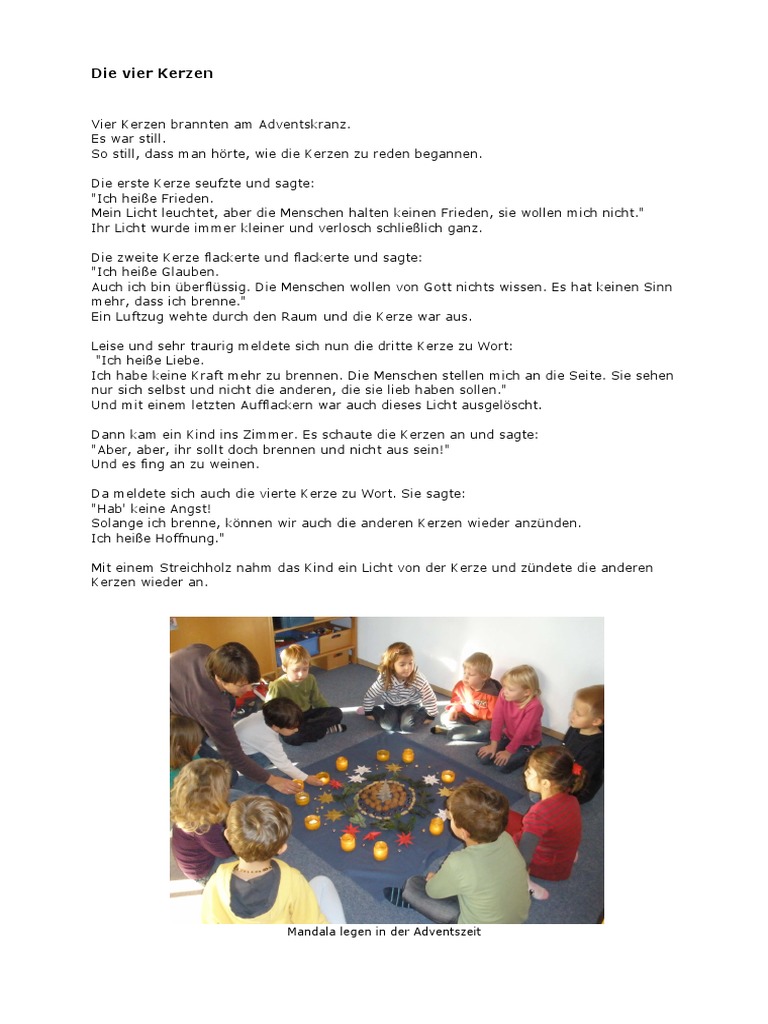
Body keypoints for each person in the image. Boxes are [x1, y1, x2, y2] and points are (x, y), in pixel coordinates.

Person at [384, 779, 530, 924]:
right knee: (469, 885)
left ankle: (414, 902)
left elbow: (433, 891)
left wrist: (434, 879)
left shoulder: (458, 862)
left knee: (413, 885)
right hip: (516, 918)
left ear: (464, 833)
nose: (448, 817)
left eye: (451, 817)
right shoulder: (506, 838)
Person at [170, 642, 299, 794]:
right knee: (229, 776)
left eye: (251, 683)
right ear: (219, 678)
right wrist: (272, 780)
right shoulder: (212, 707)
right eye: (241, 685)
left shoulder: (203, 651)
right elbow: (232, 753)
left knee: (229, 702)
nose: (249, 689)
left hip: (180, 702)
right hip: (177, 730)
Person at [201, 795, 346, 924]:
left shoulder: (215, 883)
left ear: (227, 835)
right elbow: (312, 923)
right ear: (281, 848)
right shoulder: (293, 880)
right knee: (322, 882)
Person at [506, 745, 585, 900]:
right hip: (561, 856)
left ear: (546, 783)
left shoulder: (539, 814)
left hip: (547, 867)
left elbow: (524, 857)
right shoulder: (571, 799)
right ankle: (568, 855)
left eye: (530, 772)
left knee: (494, 831)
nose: (525, 773)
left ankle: (526, 884)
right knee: (513, 819)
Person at [233, 697, 327, 785]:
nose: (296, 730)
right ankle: (250, 774)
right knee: (263, 761)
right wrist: (306, 778)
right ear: (275, 727)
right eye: (292, 728)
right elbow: (284, 765)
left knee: (271, 753)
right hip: (241, 754)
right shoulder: (269, 742)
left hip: (237, 740)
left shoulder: (267, 715)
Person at [170, 758, 236, 882]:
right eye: (225, 786)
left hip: (206, 850)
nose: (228, 788)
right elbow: (227, 852)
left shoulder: (189, 803)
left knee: (234, 794)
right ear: (215, 794)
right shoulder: (205, 825)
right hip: (205, 871)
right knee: (254, 857)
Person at [266, 644, 346, 744]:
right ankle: (324, 730)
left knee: (336, 712)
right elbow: (269, 711)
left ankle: (311, 729)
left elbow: (317, 699)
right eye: (296, 670)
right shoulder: (277, 686)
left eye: (305, 669)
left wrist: (326, 711)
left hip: (308, 714)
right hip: (291, 720)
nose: (301, 674)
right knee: (293, 738)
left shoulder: (310, 679)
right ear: (285, 668)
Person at [476, 664, 543, 773]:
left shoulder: (535, 706)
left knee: (500, 767)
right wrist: (493, 745)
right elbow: (497, 719)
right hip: (508, 735)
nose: (505, 691)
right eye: (505, 686)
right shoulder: (504, 694)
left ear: (526, 692)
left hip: (527, 742)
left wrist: (508, 752)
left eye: (510, 689)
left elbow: (522, 733)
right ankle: (505, 749)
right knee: (483, 757)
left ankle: (530, 754)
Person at [362, 641, 438, 732]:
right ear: (392, 665)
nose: (407, 668)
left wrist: (431, 715)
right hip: (391, 704)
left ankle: (422, 711)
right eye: (402, 664)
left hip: (411, 704)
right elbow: (370, 694)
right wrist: (368, 711)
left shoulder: (417, 679)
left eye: (410, 663)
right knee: (387, 726)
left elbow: (429, 697)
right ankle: (378, 711)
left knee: (407, 727)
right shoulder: (385, 678)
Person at [430, 651, 500, 742]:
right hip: (465, 716)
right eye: (464, 673)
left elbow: (495, 716)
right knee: (445, 716)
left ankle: (452, 731)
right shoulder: (460, 685)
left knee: (487, 730)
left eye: (470, 674)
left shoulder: (491, 693)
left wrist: (476, 712)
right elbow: (456, 699)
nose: (465, 677)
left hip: (483, 721)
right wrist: (454, 709)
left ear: (484, 677)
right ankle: (463, 732)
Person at [563, 684, 604, 803]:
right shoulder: (576, 727)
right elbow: (564, 747)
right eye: (573, 709)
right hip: (566, 769)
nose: (571, 715)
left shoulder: (594, 749)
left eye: (578, 714)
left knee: (536, 795)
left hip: (578, 787)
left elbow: (580, 779)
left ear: (596, 721)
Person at [170, 713, 203, 788]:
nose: (200, 745)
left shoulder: (193, 756)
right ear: (180, 749)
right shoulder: (173, 779)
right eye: (196, 743)